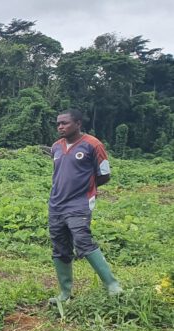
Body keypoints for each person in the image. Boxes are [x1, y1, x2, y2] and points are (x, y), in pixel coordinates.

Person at [48, 109, 122, 302]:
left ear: (78, 123)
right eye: (58, 124)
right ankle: (64, 293)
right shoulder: (56, 147)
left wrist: (85, 189)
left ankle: (112, 284)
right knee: (60, 247)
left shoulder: (93, 144)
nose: (60, 127)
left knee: (82, 240)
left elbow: (104, 175)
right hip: (56, 204)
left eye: (65, 123)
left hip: (79, 204)